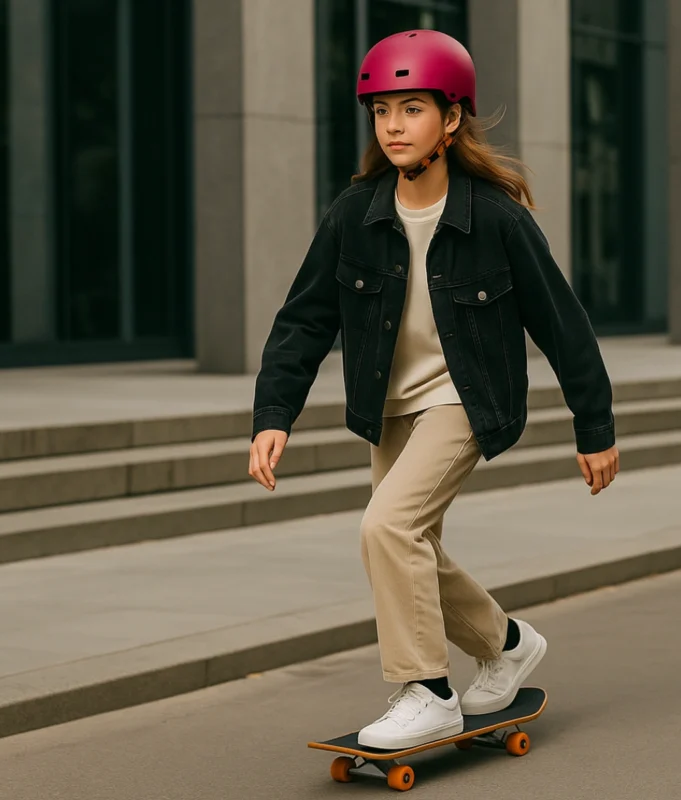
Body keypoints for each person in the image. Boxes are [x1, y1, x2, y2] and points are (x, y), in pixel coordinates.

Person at [249, 29, 619, 750]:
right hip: (389, 405)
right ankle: (507, 643)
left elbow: (562, 324)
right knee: (409, 544)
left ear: (451, 120)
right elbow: (303, 319)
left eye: (411, 108)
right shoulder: (355, 214)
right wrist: (274, 413)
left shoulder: (497, 219)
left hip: (465, 400)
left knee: (387, 530)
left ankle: (426, 690)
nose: (392, 125)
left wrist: (595, 425)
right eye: (381, 110)